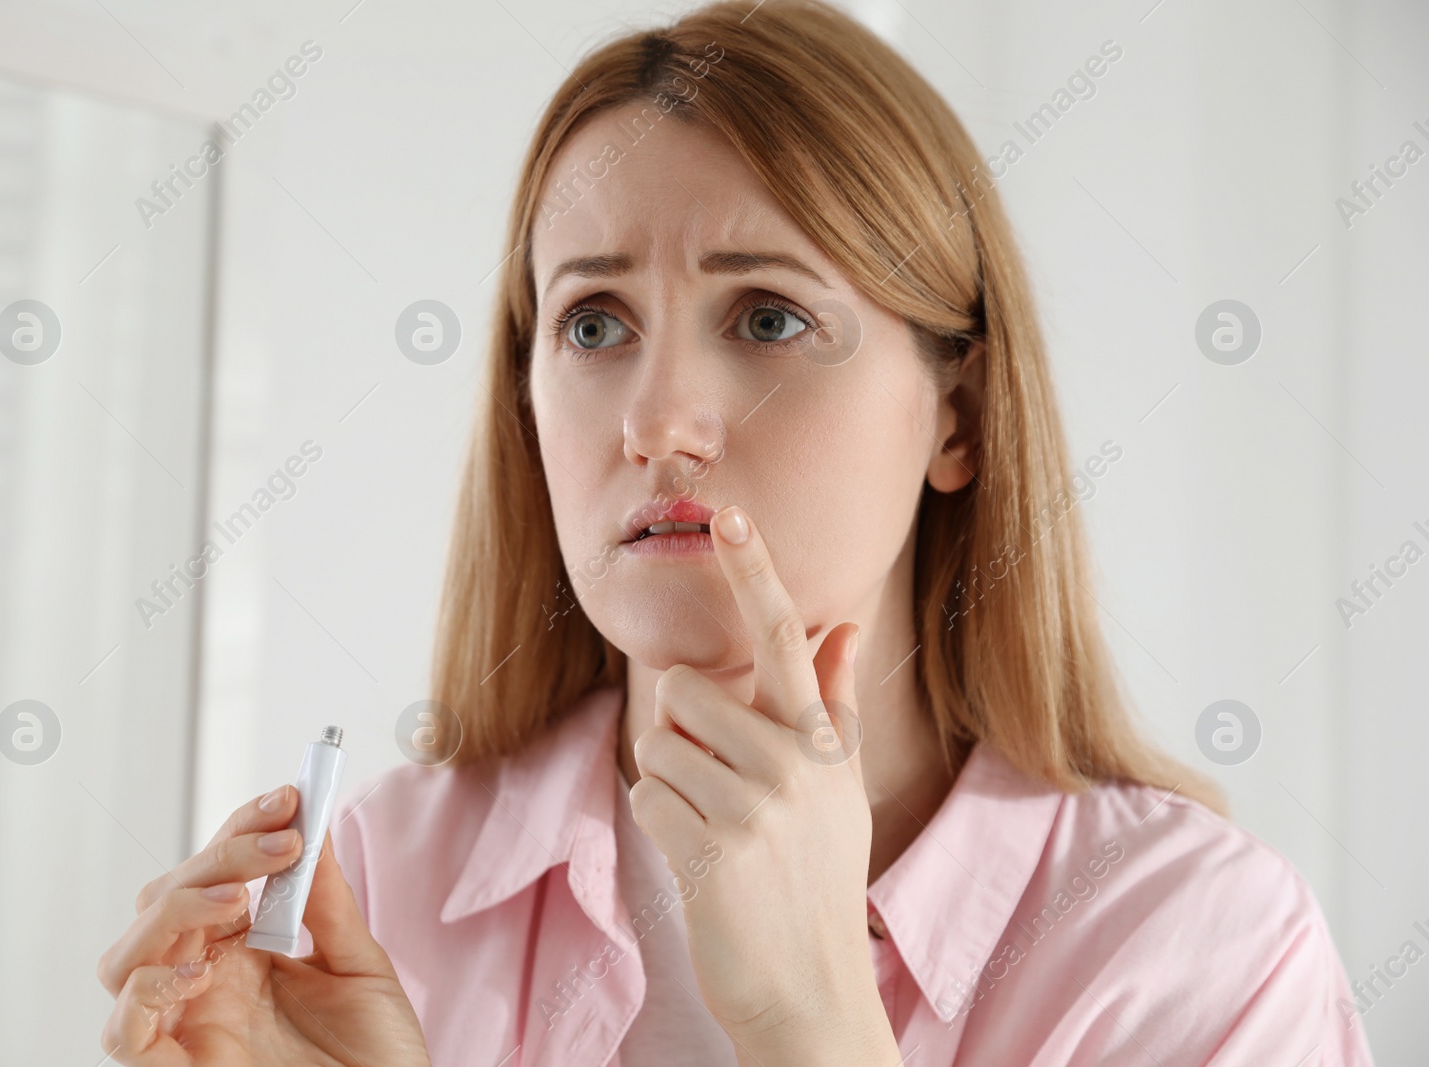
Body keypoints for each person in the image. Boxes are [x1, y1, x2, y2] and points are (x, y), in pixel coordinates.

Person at [96, 2, 1375, 1063]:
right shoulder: (371, 885)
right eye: (593, 323)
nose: (658, 422)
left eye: (766, 317)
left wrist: (814, 1024)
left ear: (960, 417)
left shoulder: (1199, 944)